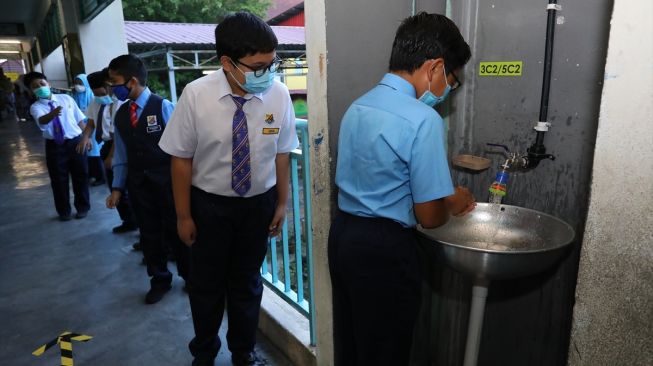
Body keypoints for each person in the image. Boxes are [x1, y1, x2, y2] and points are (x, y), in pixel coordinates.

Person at [328, 13, 476, 366]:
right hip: (385, 251)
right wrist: (454, 201)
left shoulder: (358, 106)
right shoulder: (422, 119)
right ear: (435, 68)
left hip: (345, 237)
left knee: (354, 345)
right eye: (452, 82)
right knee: (386, 352)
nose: (446, 92)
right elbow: (429, 215)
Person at [159, 12, 298, 366]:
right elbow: (180, 160)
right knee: (206, 286)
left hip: (258, 206)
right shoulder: (196, 95)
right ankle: (204, 352)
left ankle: (243, 352)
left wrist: (282, 204)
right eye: (258, 65)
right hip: (209, 207)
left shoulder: (278, 96)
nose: (266, 72)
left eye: (271, 63)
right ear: (227, 62)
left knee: (247, 284)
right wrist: (184, 215)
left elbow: (281, 153)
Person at [105, 54, 188, 304]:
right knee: (149, 234)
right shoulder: (121, 115)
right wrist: (118, 187)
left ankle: (191, 276)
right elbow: (121, 154)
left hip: (169, 184)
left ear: (131, 82)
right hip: (139, 186)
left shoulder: (163, 106)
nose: (112, 87)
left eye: (114, 81)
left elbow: (181, 150)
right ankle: (159, 279)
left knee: (178, 231)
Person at [25, 71, 90, 221]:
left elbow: (79, 119)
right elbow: (41, 121)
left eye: (41, 84)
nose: (40, 87)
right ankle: (64, 211)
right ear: (31, 91)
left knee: (81, 176)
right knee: (59, 180)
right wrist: (52, 114)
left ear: (48, 84)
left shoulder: (66, 98)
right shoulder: (35, 107)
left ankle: (82, 207)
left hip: (75, 142)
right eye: (35, 87)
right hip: (55, 146)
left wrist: (86, 137)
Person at [80, 69, 138, 233]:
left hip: (120, 146)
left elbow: (117, 134)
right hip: (107, 146)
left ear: (106, 86)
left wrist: (113, 157)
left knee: (127, 187)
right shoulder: (96, 102)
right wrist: (85, 137)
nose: (95, 93)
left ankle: (139, 223)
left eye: (96, 89)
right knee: (115, 187)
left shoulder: (119, 102)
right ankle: (128, 220)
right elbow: (91, 122)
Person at [72, 74, 104, 185]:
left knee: (96, 152)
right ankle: (91, 174)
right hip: (82, 128)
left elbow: (95, 115)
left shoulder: (93, 96)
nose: (78, 86)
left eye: (80, 83)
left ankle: (100, 177)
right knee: (87, 152)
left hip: (94, 127)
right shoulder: (75, 96)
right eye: (76, 83)